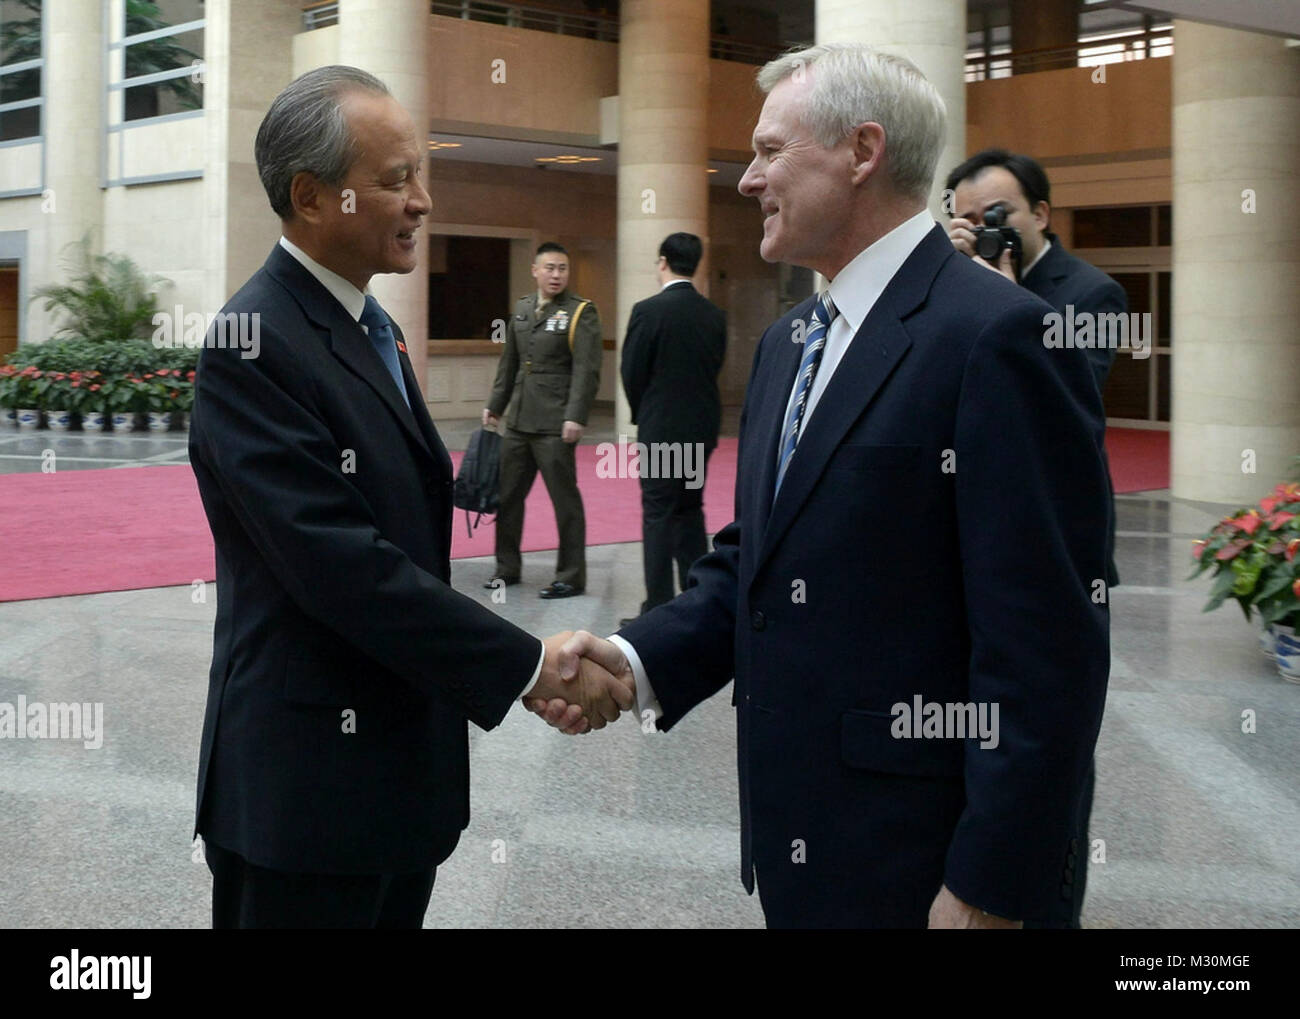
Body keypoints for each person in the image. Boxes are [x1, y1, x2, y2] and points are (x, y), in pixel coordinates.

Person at [537, 44, 1112, 929]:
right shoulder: (791, 338)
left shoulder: (1000, 338)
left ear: (862, 150)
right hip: (806, 843)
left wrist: (992, 884)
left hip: (927, 864)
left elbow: (1046, 651)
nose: (747, 180)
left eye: (770, 152)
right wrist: (640, 658)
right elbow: (760, 561)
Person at [187, 66, 631, 929]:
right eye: (396, 180)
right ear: (311, 196)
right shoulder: (253, 344)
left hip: (395, 779)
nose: (424, 200)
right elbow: (339, 568)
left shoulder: (370, 323)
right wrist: (530, 665)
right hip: (304, 796)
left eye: (421, 174)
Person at [946, 148, 1128, 927]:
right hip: (966, 555)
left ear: (1040, 215)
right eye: (970, 220)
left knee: (1049, 751)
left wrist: (1006, 298)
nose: (989, 231)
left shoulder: (1091, 292)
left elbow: (1071, 395)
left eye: (1000, 216)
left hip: (1056, 560)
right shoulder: (949, 289)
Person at [484, 243, 602, 599]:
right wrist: (495, 406)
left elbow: (587, 369)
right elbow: (510, 364)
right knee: (507, 498)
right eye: (550, 268)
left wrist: (575, 416)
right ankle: (507, 568)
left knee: (565, 502)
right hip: (518, 421)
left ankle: (570, 576)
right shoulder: (521, 309)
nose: (556, 275)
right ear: (535, 271)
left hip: (554, 423)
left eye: (562, 269)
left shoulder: (581, 312)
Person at [620, 232, 726, 622]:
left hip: (662, 427)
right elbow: (713, 367)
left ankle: (658, 607)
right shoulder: (714, 315)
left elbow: (632, 371)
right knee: (690, 510)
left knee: (658, 513)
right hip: (701, 427)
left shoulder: (648, 311)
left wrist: (643, 411)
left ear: (662, 261)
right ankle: (699, 601)